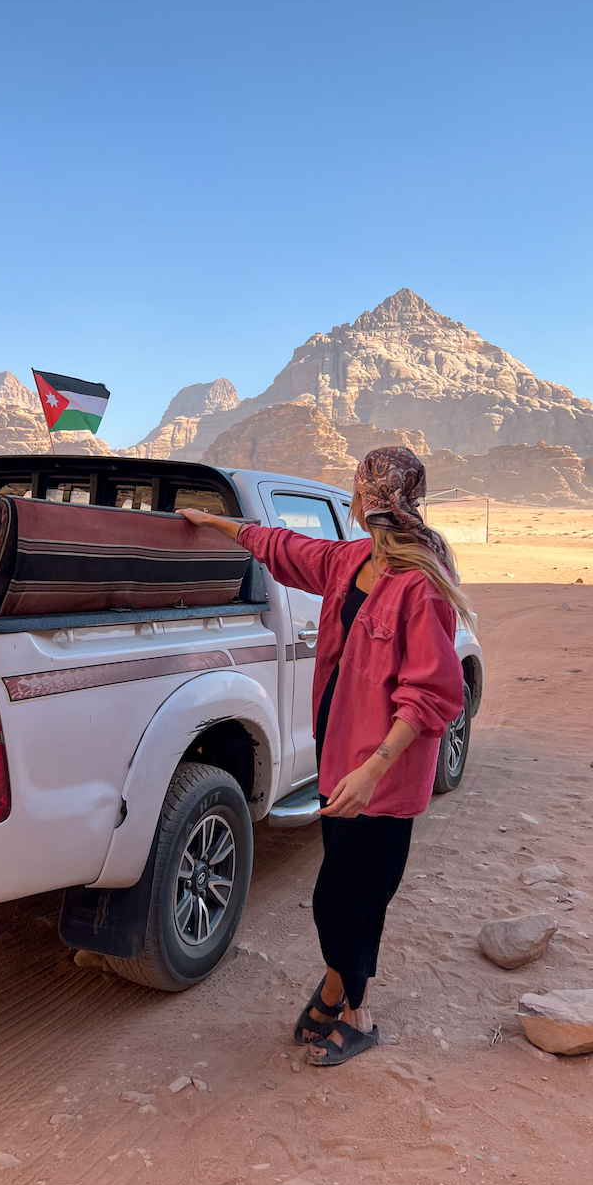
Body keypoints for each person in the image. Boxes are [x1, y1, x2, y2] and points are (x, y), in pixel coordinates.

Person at [178, 446, 472, 1066]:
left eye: (365, 486)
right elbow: (283, 548)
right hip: (340, 761)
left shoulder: (420, 585)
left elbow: (432, 695)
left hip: (382, 778)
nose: (361, 495)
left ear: (378, 496)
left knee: (348, 897)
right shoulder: (349, 560)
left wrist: (374, 770)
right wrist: (217, 526)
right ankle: (338, 989)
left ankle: (357, 1012)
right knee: (350, 890)